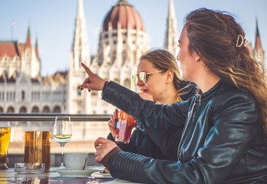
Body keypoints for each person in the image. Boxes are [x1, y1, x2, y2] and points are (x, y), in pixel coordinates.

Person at [81, 8, 267, 184]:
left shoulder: (240, 105)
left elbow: (198, 176)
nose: (177, 57)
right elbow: (156, 114)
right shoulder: (200, 100)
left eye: (180, 46)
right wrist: (105, 87)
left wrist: (116, 158)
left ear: (198, 53)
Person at [107, 49, 198, 161]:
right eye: (137, 78)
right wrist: (120, 140)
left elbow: (178, 154)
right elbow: (139, 159)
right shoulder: (145, 112)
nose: (139, 83)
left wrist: (145, 112)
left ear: (169, 76)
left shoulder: (194, 107)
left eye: (145, 76)